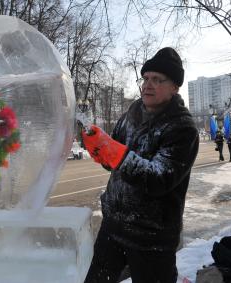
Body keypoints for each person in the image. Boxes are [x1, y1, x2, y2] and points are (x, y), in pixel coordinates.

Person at [81, 47, 199, 283]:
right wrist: (100, 151)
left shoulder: (182, 128)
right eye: (145, 78)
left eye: (157, 79)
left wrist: (113, 153)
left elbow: (158, 179)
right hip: (113, 226)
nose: (148, 84)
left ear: (174, 87)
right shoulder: (131, 114)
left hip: (151, 238)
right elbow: (115, 163)